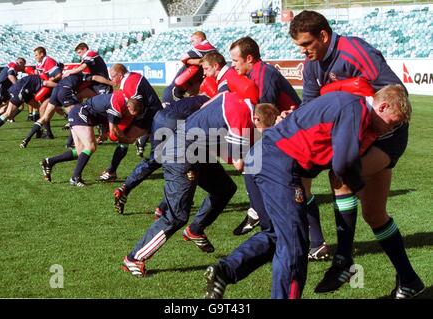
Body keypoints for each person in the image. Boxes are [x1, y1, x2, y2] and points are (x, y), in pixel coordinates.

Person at [205, 84, 413, 299]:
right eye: (393, 123)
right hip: (277, 162)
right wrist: (359, 186)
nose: (390, 130)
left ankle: (225, 271)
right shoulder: (356, 108)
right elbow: (342, 164)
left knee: (279, 234)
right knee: (295, 243)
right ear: (383, 106)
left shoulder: (351, 105)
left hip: (263, 159)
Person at [288, 10, 425, 298]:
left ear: (323, 36)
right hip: (360, 137)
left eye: (306, 44)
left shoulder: (356, 51)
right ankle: (410, 281)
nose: (302, 51)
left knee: (342, 172)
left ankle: (343, 260)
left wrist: (355, 96)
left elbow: (396, 94)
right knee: (375, 215)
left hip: (387, 136)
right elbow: (311, 107)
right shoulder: (312, 66)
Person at [121, 92, 259, 277]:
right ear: (257, 117)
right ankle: (134, 258)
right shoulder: (241, 117)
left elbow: (207, 106)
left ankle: (195, 230)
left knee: (225, 189)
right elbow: (239, 163)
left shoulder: (232, 96)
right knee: (176, 216)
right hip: (181, 155)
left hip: (194, 148)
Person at [229, 36, 302, 236]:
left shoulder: (263, 75)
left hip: (289, 132)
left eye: (235, 60)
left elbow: (266, 116)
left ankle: (261, 215)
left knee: (253, 163)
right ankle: (257, 211)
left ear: (249, 58)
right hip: (281, 128)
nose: (233, 65)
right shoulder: (257, 73)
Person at [113, 94, 211, 215]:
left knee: (154, 159)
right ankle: (164, 206)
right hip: (177, 122)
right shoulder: (215, 103)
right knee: (186, 166)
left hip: (161, 118)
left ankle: (125, 187)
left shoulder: (200, 98)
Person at [40, 90, 143, 186]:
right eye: (131, 113)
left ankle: (49, 162)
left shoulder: (122, 103)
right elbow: (113, 133)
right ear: (128, 107)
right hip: (80, 115)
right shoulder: (117, 105)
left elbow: (109, 125)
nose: (130, 116)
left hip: (78, 113)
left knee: (80, 152)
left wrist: (105, 135)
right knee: (90, 147)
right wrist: (129, 140)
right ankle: (75, 178)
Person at [98, 64, 163, 182]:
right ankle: (112, 170)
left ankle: (111, 171)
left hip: (151, 115)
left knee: (125, 138)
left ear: (120, 75)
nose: (111, 80)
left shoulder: (129, 84)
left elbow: (136, 108)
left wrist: (120, 126)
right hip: (152, 113)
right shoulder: (131, 77)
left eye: (113, 77)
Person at [0, 47, 62, 140]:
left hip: (26, 89)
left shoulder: (45, 62)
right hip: (22, 89)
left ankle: (42, 132)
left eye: (36, 55)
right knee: (8, 113)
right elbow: (48, 80)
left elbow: (50, 76)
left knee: (40, 107)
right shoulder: (44, 63)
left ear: (42, 54)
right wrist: (56, 84)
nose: (35, 57)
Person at [162, 31, 217, 103]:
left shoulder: (203, 46)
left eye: (193, 41)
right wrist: (203, 62)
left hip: (173, 93)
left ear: (200, 39)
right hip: (174, 93)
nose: (192, 44)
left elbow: (183, 58)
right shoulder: (213, 51)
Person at [0, 58, 26, 130]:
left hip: (4, 90)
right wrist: (18, 87)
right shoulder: (13, 65)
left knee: (9, 103)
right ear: (20, 62)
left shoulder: (14, 67)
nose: (23, 67)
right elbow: (10, 76)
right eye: (23, 65)